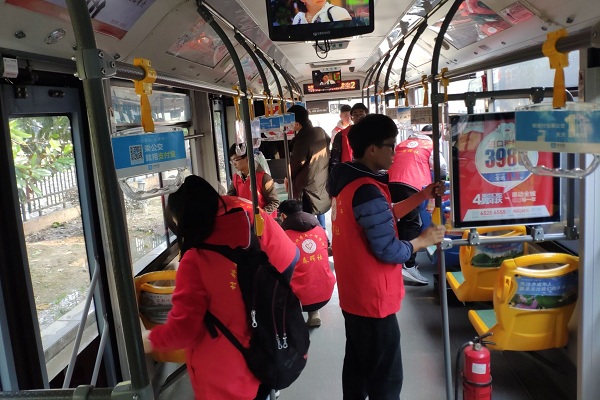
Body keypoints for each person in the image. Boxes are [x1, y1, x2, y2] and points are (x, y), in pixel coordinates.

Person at [141, 175, 299, 400]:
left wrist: (148, 340)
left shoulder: (197, 260)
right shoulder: (233, 226)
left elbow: (184, 330)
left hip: (224, 378)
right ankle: (270, 380)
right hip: (252, 366)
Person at [328, 114, 445, 399]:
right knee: (386, 379)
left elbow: (384, 215)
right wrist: (422, 241)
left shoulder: (351, 182)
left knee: (357, 368)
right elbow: (389, 249)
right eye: (391, 145)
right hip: (374, 301)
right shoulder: (367, 190)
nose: (395, 152)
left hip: (354, 295)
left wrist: (422, 196)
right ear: (372, 149)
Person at [387, 124, 448, 285]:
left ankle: (398, 258)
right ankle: (408, 263)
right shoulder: (430, 146)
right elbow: (442, 168)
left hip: (391, 183)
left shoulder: (402, 144)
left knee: (397, 221)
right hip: (412, 184)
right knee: (412, 223)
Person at [279, 199, 336, 327]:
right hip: (326, 289)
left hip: (299, 298)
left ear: (283, 216)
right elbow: (327, 248)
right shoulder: (319, 229)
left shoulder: (283, 236)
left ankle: (292, 320)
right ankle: (314, 314)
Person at [287, 104, 331, 232]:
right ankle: (322, 234)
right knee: (319, 208)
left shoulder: (302, 139)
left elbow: (296, 163)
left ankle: (314, 235)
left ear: (297, 124)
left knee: (308, 216)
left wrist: (287, 177)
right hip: (321, 178)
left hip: (307, 185)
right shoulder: (320, 131)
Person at [227, 143, 280, 218]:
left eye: (236, 160)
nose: (234, 164)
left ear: (247, 158)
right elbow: (230, 198)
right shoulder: (236, 178)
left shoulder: (264, 178)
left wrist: (260, 215)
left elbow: (274, 202)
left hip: (264, 220)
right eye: (232, 161)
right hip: (246, 219)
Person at [329, 102, 368, 176]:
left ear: (366, 115)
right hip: (349, 172)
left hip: (368, 171)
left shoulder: (373, 133)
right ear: (352, 117)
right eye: (355, 114)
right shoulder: (341, 135)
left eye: (361, 114)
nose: (358, 117)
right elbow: (335, 158)